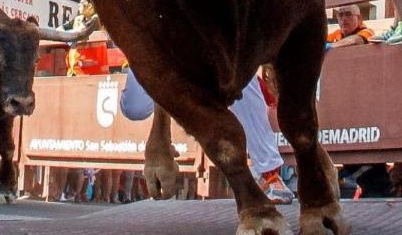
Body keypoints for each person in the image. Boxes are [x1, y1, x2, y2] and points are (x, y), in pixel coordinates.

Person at [119, 69, 295, 205]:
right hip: (157, 46)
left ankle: (270, 175)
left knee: (243, 77)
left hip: (207, 41)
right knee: (134, 107)